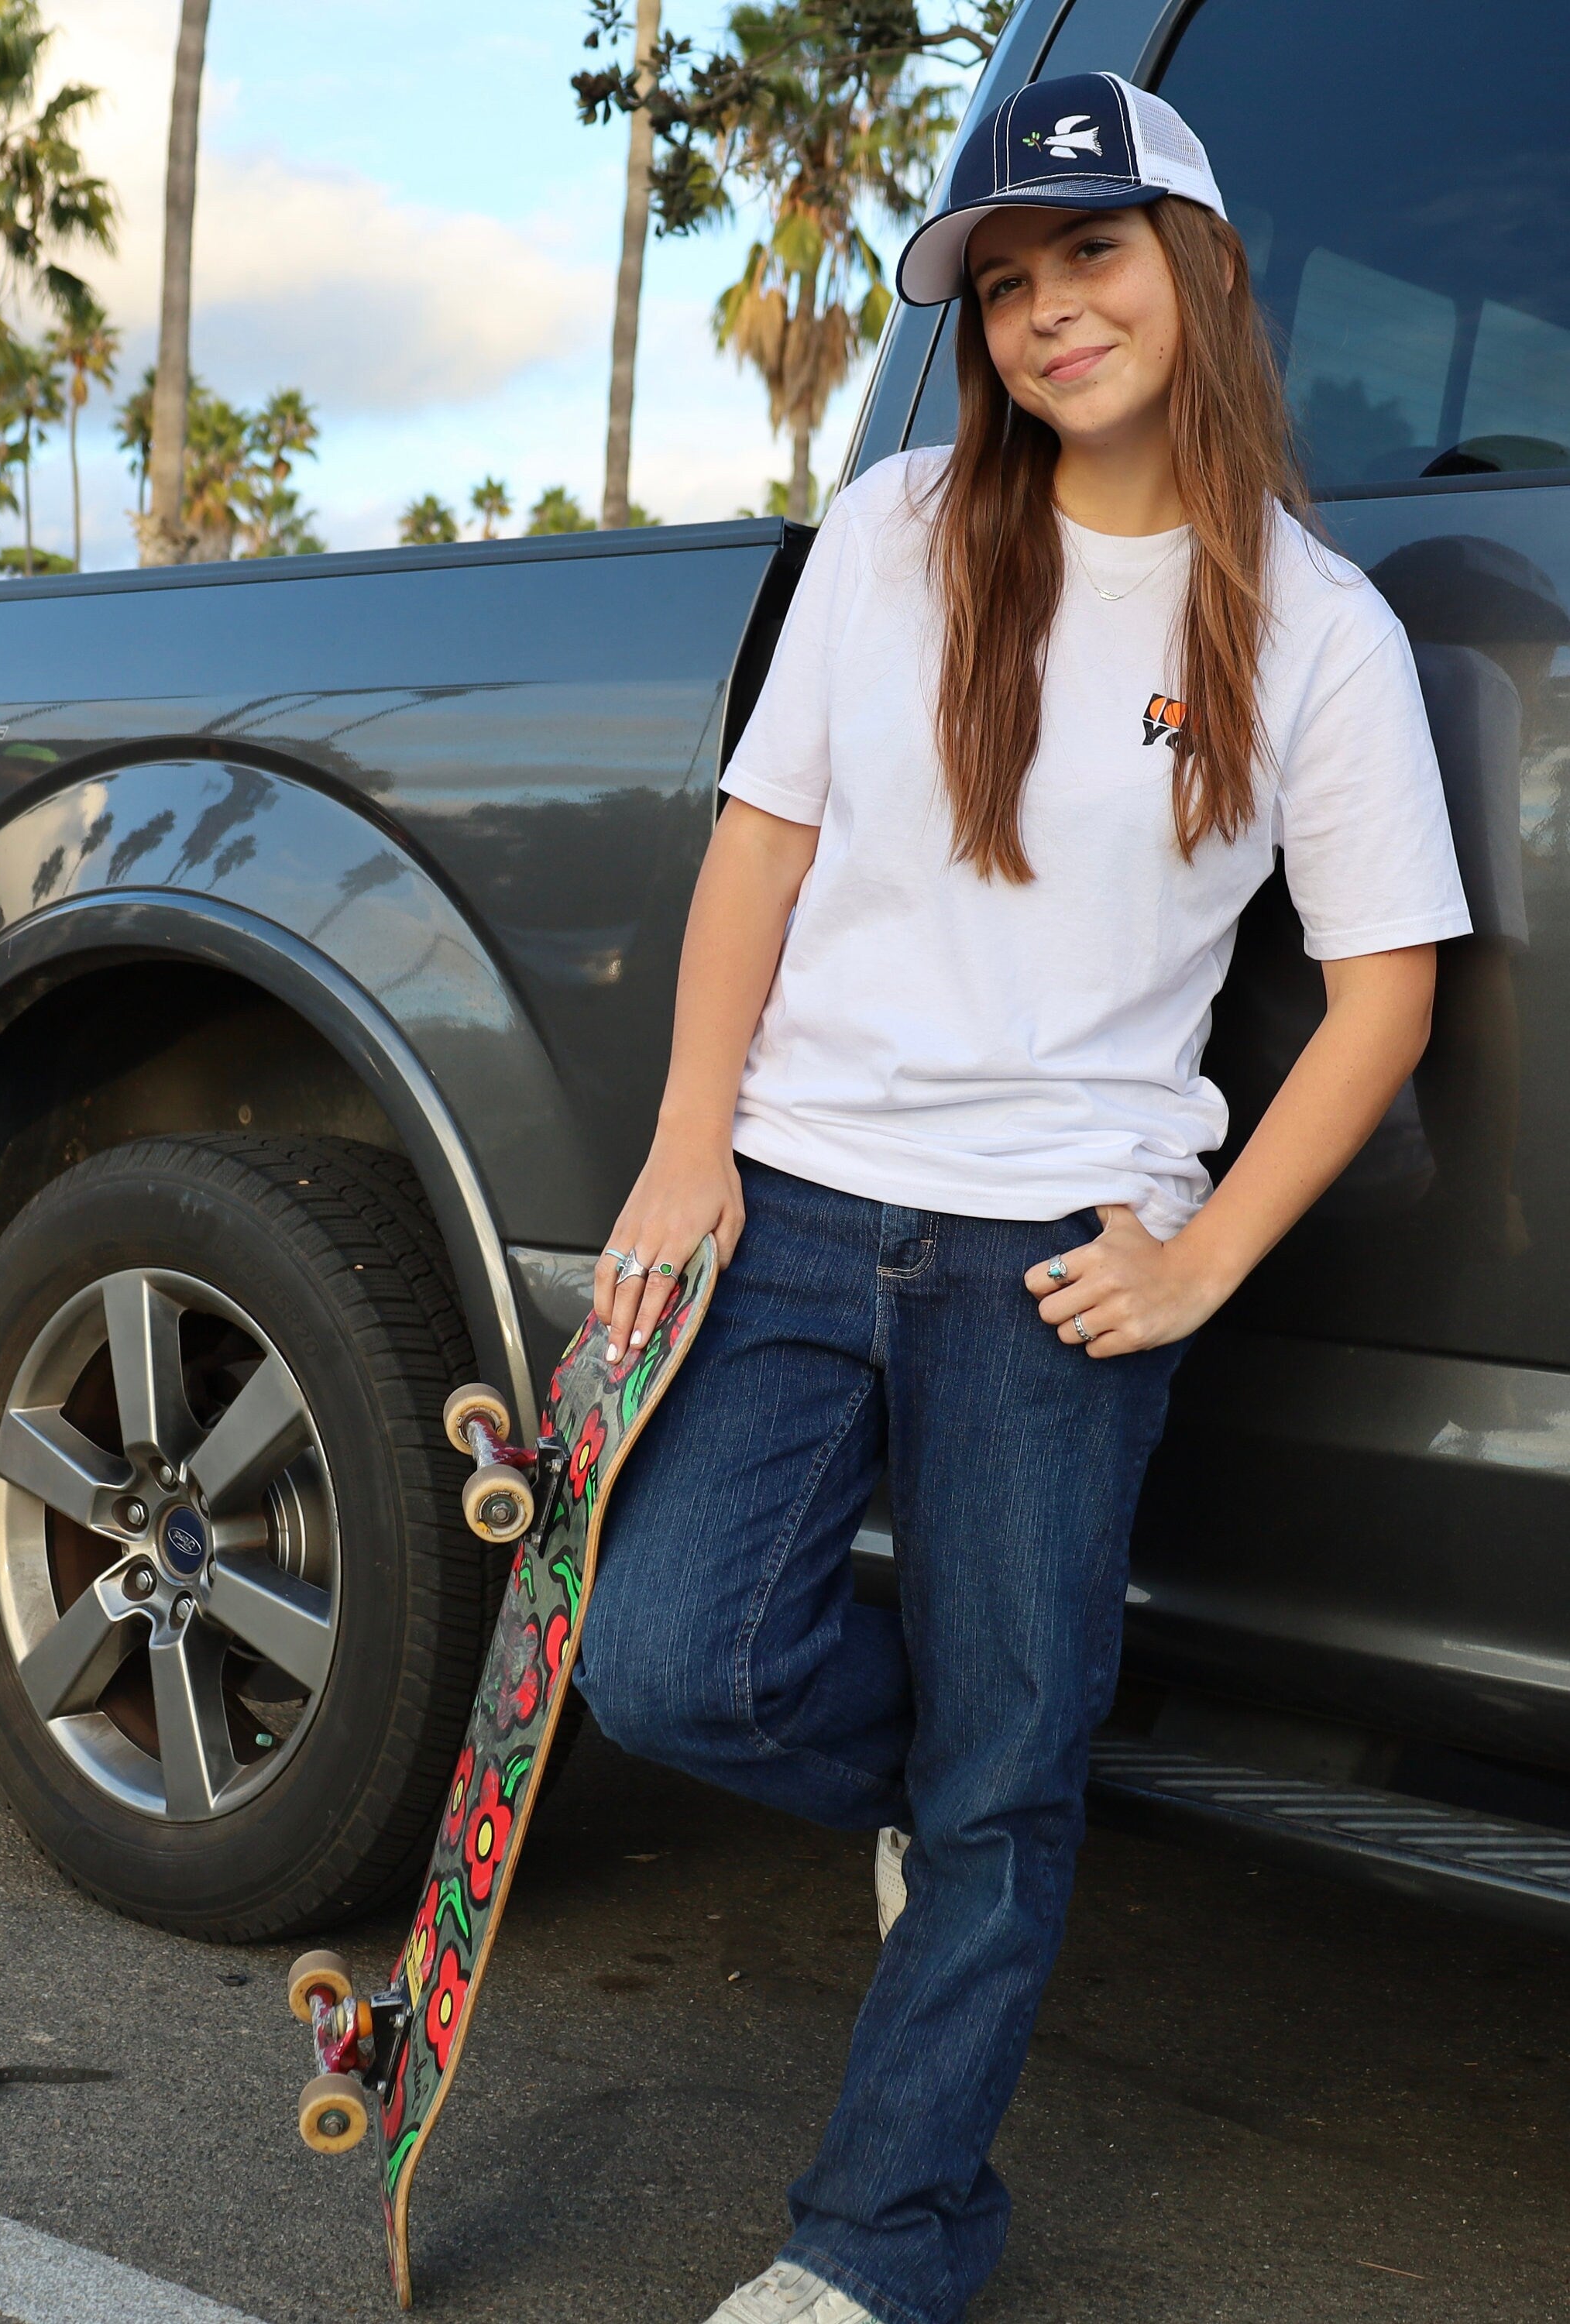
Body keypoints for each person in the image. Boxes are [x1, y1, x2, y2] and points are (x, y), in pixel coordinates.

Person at [574, 69, 1471, 2324]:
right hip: (798, 1200)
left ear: (1200, 267)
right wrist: (688, 1149)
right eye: (1001, 283)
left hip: (1059, 1257)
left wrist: (1198, 1264)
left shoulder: (1318, 630)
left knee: (1006, 1783)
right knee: (668, 1667)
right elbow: (761, 848)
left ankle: (881, 2240)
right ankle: (967, 1794)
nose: (1050, 310)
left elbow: (1383, 996)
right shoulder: (894, 529)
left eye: (1091, 252)